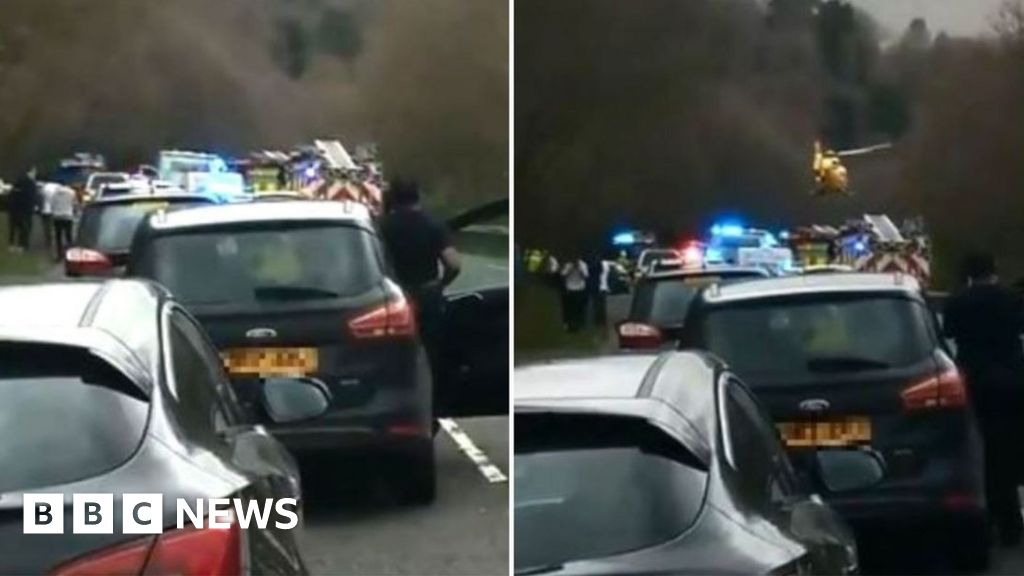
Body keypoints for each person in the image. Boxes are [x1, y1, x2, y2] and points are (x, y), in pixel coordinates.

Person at [944, 252, 1024, 546]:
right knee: (1011, 448)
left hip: (976, 385)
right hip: (1013, 384)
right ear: (994, 270)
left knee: (983, 451)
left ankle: (988, 516)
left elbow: (948, 332)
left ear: (967, 274)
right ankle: (1011, 523)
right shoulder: (1011, 299)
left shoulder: (957, 303)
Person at [379, 178, 462, 419]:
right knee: (430, 357)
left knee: (392, 357)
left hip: (392, 302)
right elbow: (454, 264)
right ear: (418, 197)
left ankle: (394, 409)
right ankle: (431, 410)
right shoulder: (433, 225)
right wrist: (440, 284)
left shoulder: (382, 227)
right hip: (427, 298)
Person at [8, 167, 38, 252]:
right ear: (30, 172)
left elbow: (12, 194)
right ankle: (22, 245)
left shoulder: (18, 182)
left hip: (14, 209)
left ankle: (12, 244)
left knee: (13, 228)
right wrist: (34, 206)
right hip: (26, 210)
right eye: (34, 172)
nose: (35, 175)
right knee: (25, 228)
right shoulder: (31, 183)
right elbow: (32, 197)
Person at [560, 257, 589, 332]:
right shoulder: (568, 265)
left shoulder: (583, 265)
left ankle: (578, 325)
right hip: (570, 289)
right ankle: (568, 325)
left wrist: (580, 270)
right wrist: (570, 270)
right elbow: (562, 275)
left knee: (579, 309)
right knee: (569, 309)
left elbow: (586, 277)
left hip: (579, 290)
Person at [50, 183, 77, 261]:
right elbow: (74, 204)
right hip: (68, 216)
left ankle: (59, 255)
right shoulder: (71, 192)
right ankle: (70, 254)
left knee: (58, 237)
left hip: (57, 216)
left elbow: (52, 204)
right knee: (68, 236)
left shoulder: (54, 193)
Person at [38, 181, 56, 251]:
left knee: (46, 227)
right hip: (52, 210)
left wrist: (40, 208)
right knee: (51, 226)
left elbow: (40, 199)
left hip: (45, 211)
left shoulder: (43, 188)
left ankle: (48, 241)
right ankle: (50, 241)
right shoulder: (56, 187)